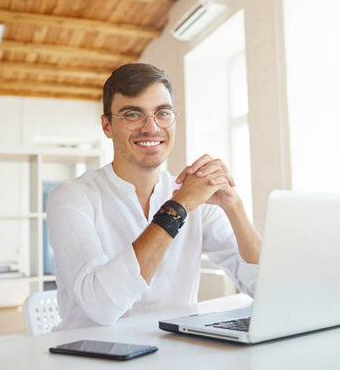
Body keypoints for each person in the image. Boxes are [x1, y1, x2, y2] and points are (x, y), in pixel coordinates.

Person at [47, 63, 261, 330]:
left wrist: (234, 205)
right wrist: (178, 207)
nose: (151, 127)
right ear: (107, 126)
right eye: (133, 115)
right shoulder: (71, 198)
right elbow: (102, 306)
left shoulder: (195, 197)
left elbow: (264, 287)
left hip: (174, 354)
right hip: (91, 358)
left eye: (162, 113)